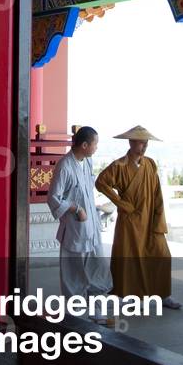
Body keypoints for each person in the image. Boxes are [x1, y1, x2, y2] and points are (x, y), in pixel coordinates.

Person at [95, 125, 181, 309]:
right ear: (131, 142)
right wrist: (120, 203)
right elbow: (101, 182)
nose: (145, 146)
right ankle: (131, 295)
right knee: (130, 257)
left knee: (162, 254)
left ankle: (162, 294)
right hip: (131, 219)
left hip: (150, 218)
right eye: (141, 142)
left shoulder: (150, 164)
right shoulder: (120, 165)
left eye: (146, 142)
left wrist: (159, 217)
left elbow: (157, 192)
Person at [48, 126, 111, 303]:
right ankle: (74, 301)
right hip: (75, 224)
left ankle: (96, 295)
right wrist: (76, 208)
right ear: (84, 145)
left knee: (95, 261)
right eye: (95, 144)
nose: (96, 147)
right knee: (73, 265)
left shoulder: (87, 161)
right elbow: (53, 198)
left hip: (91, 221)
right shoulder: (65, 166)